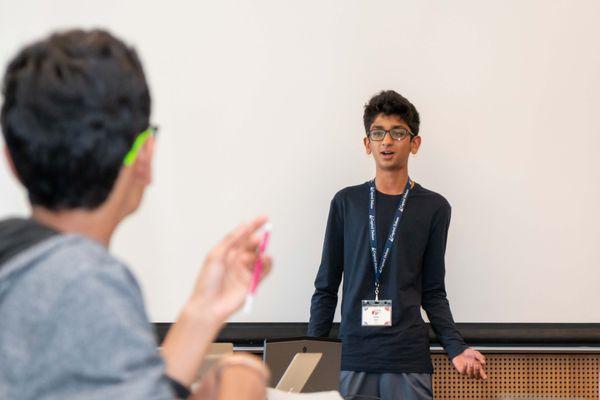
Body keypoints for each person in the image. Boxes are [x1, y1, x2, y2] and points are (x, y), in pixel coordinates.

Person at [0, 29, 271, 400]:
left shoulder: (17, 263)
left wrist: (202, 312)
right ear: (144, 157)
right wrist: (243, 383)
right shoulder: (86, 285)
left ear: (10, 159)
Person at [308, 90, 487, 400]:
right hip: (352, 358)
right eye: (378, 133)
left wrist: (456, 347)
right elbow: (326, 286)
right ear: (367, 144)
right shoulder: (346, 203)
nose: (387, 141)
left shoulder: (434, 207)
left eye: (398, 132)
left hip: (407, 359)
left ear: (414, 143)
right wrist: (309, 351)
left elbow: (433, 290)